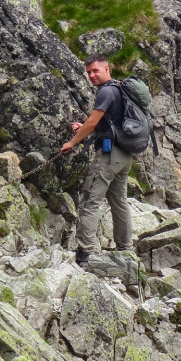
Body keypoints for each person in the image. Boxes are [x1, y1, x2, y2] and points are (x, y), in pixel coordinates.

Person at [61, 53, 133, 264]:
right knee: (119, 202)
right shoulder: (119, 89)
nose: (92, 75)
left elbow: (93, 123)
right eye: (89, 72)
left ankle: (85, 253)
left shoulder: (106, 92)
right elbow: (104, 123)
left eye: (95, 71)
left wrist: (72, 142)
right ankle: (125, 249)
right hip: (125, 155)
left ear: (106, 68)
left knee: (91, 201)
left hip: (109, 156)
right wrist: (82, 127)